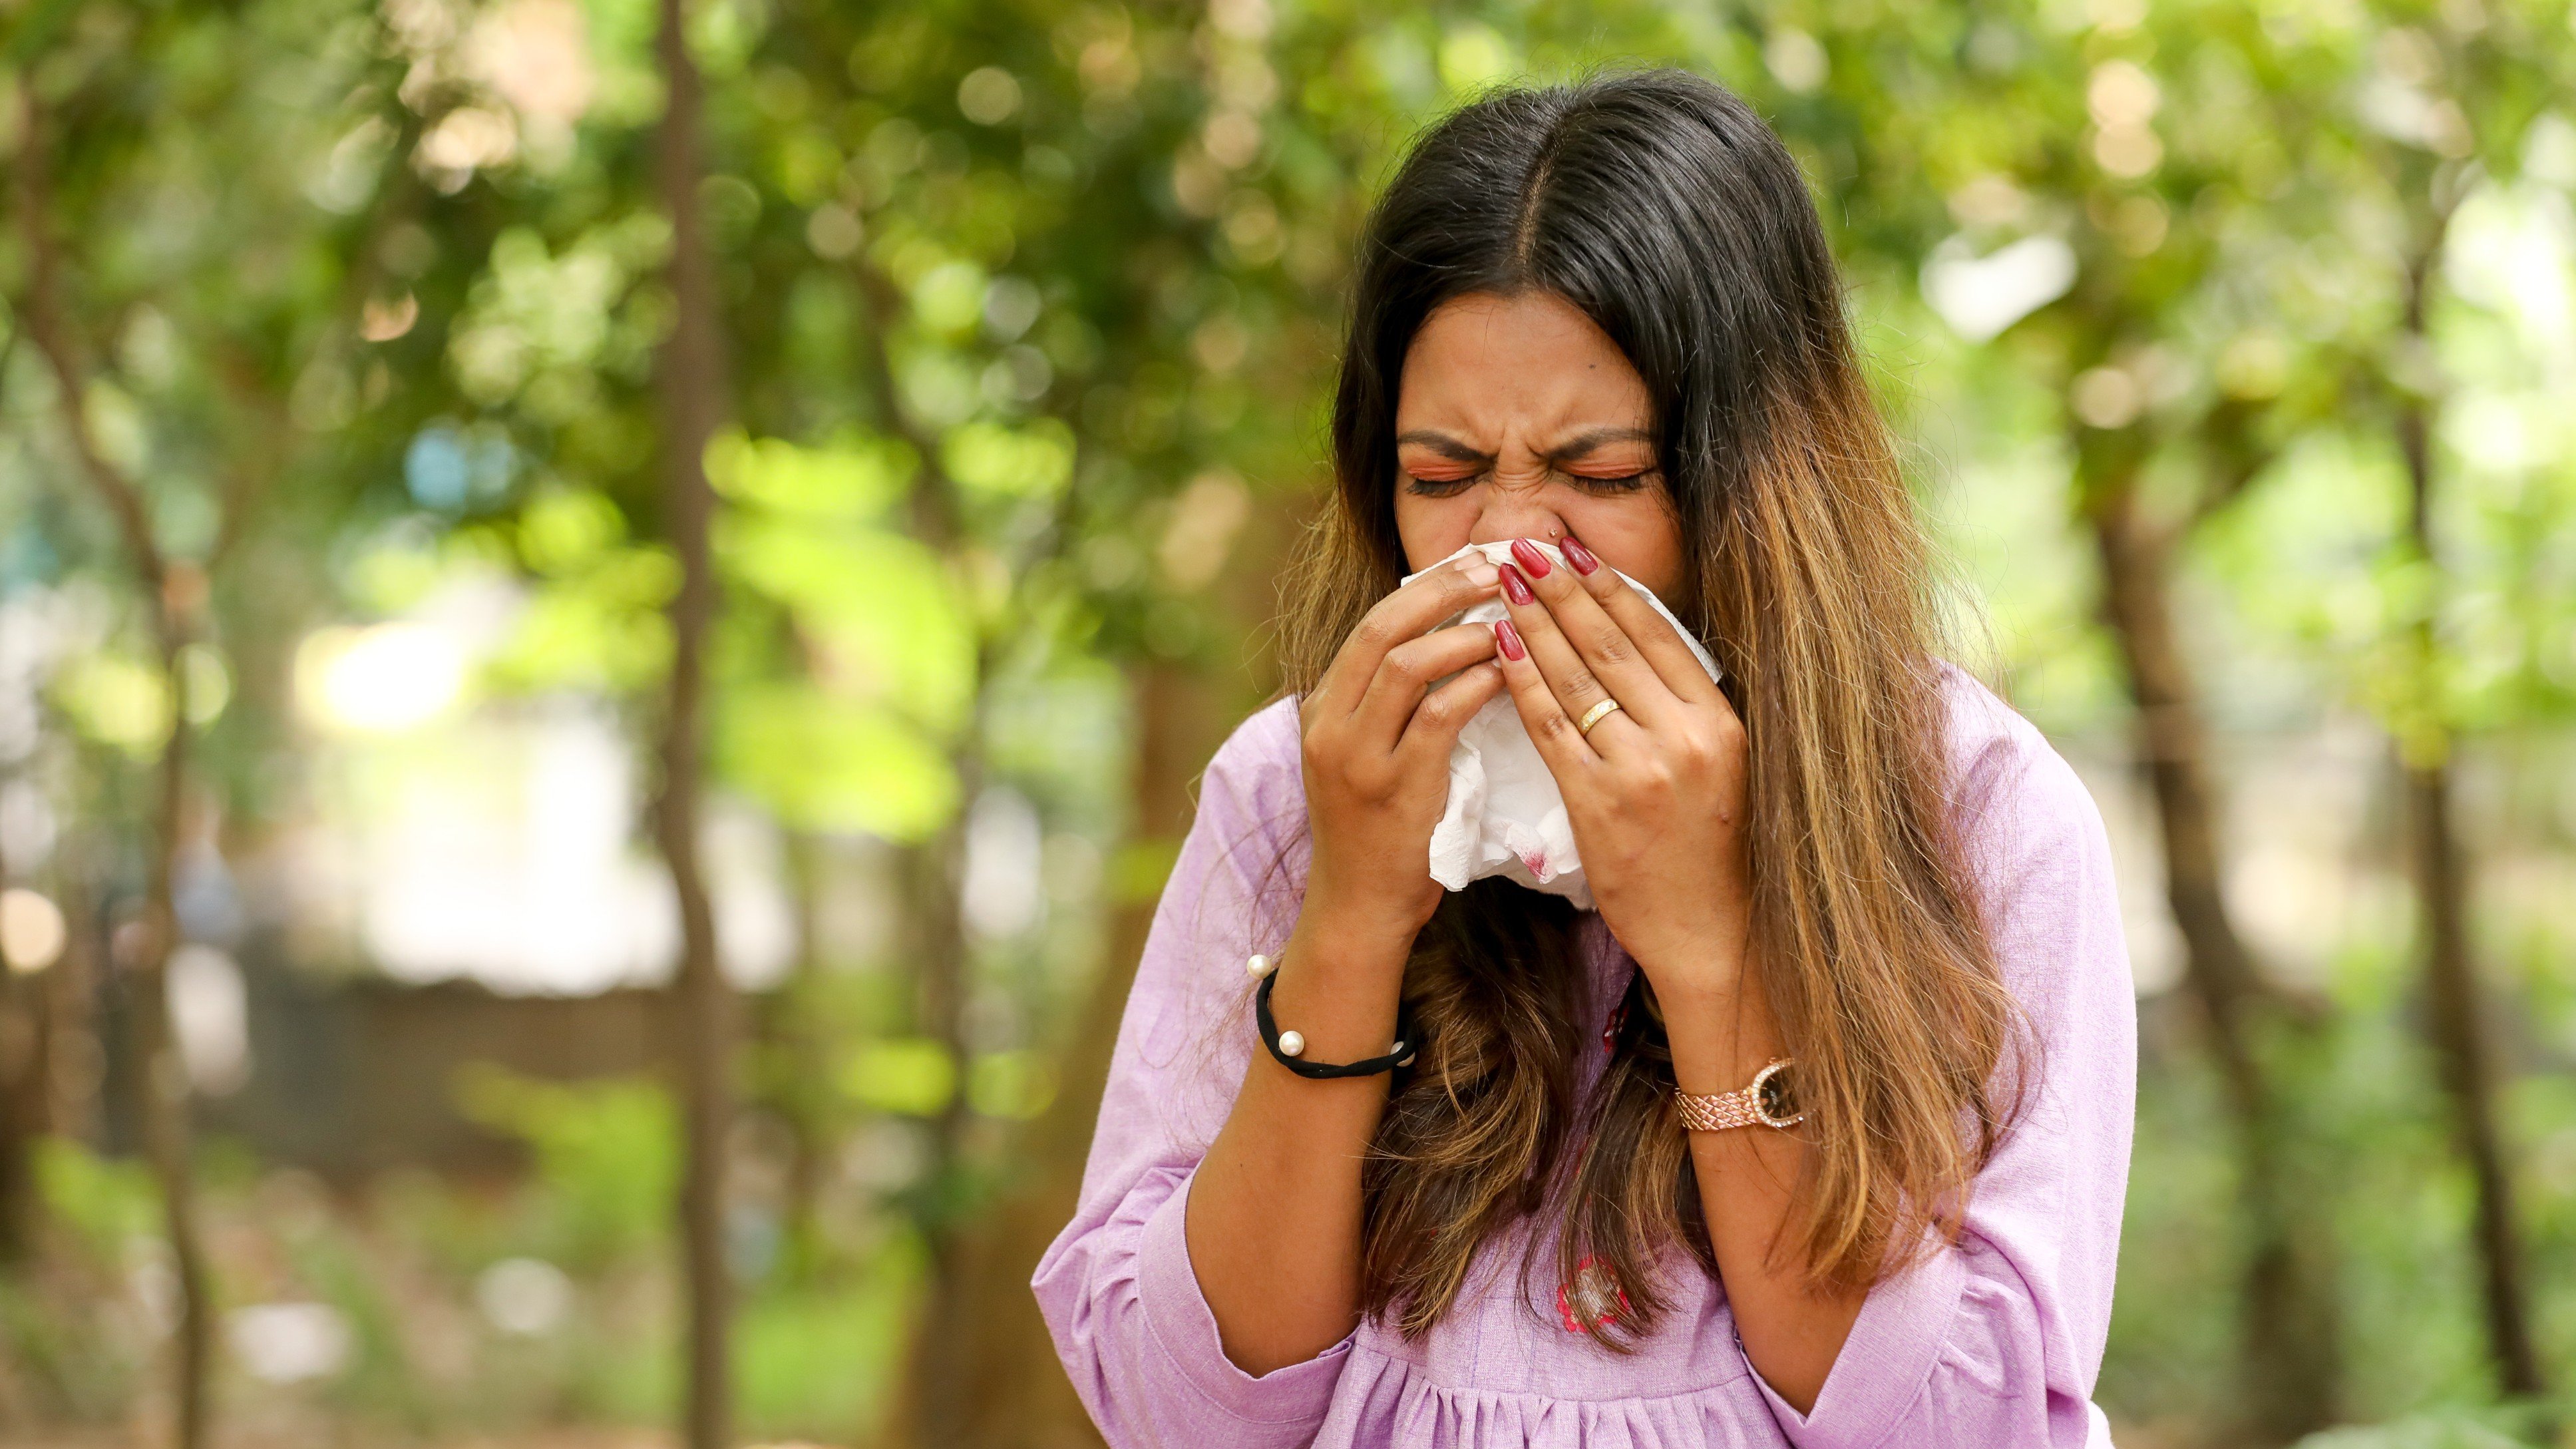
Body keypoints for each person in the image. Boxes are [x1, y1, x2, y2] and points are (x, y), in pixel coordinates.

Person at [1033, 69, 2134, 1449]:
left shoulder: (1981, 815)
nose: (1512, 552)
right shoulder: (1294, 788)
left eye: (1600, 477)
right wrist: (1356, 913)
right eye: (1440, 476)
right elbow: (1174, 1415)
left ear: (1758, 475)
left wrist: (1711, 945)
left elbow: (1959, 1432)